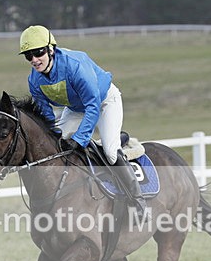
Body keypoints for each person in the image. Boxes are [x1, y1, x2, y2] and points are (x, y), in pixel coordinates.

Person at [19, 25, 147, 220]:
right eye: (29, 56)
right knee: (58, 147)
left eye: (38, 52)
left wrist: (80, 138)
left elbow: (93, 105)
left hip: (104, 101)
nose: (35, 60)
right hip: (75, 108)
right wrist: (53, 135)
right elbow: (47, 115)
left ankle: (138, 201)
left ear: (51, 48)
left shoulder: (74, 65)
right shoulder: (34, 80)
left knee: (111, 153)